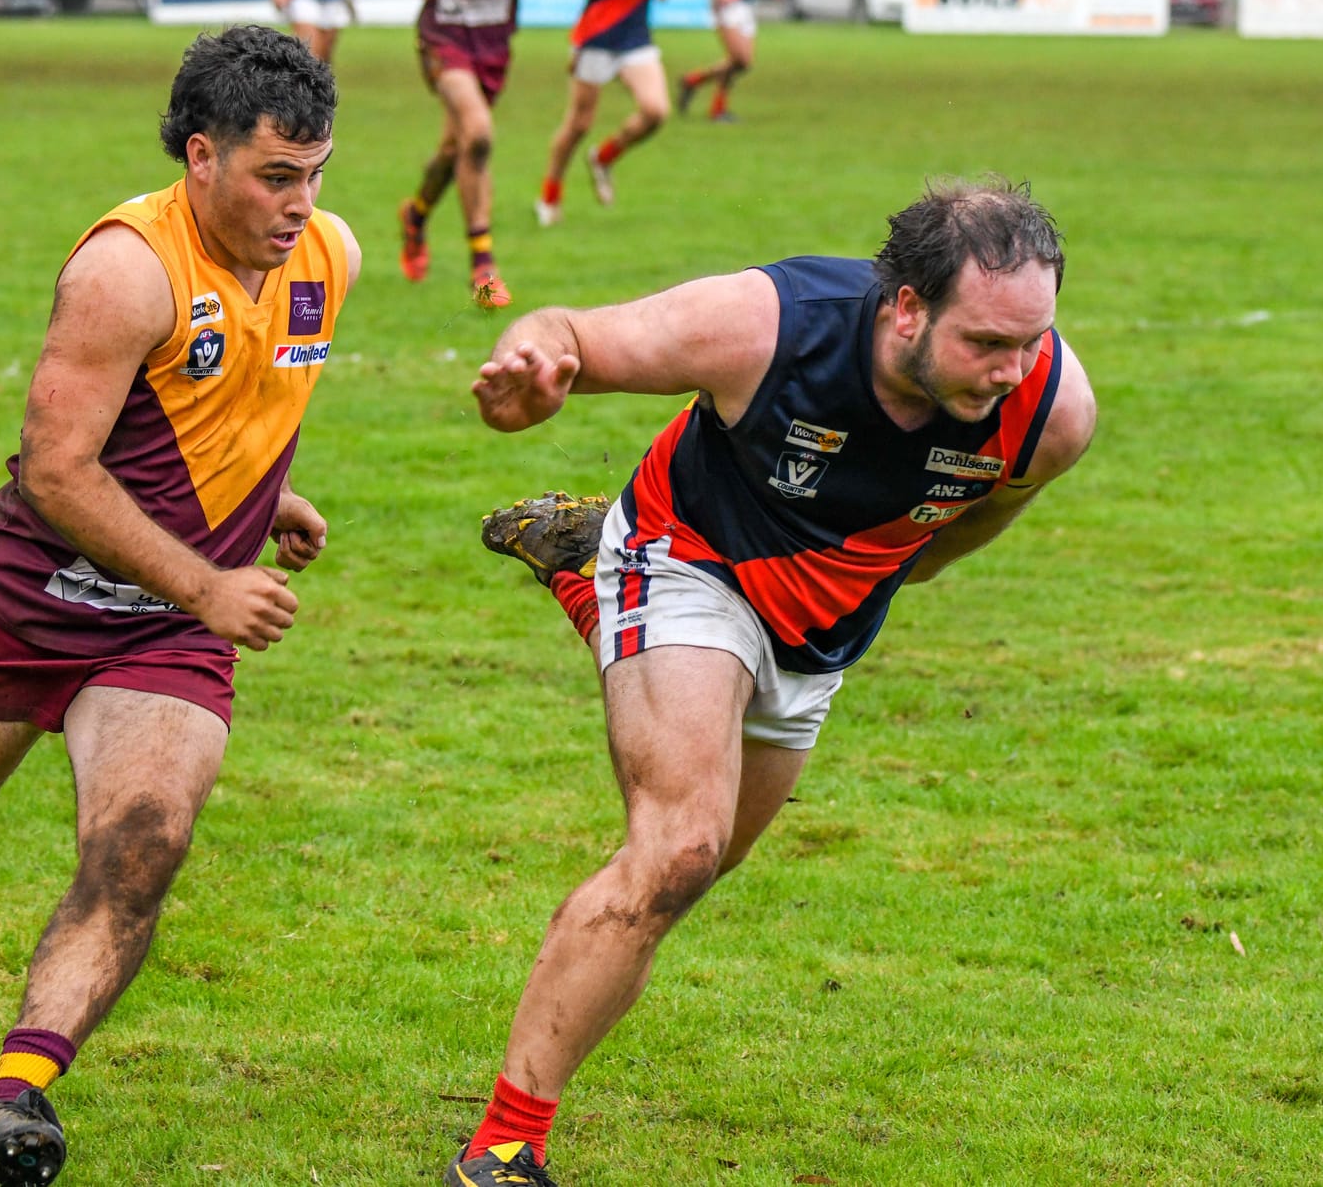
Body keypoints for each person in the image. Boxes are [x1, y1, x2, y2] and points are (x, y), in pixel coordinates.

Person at [450, 178, 1097, 1185]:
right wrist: (534, 365)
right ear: (907, 308)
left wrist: (862, 577)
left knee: (692, 875)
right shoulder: (766, 326)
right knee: (675, 847)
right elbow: (569, 328)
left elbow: (967, 525)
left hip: (819, 631)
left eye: (1031, 341)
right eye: (985, 344)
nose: (1014, 370)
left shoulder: (1049, 414)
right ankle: (501, 1146)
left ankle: (584, 588)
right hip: (687, 552)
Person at [0, 25, 361, 1187]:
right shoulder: (125, 269)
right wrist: (210, 576)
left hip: (165, 634)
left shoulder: (328, 253)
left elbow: (233, 403)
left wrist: (267, 500)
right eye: (276, 175)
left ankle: (16, 1097)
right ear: (201, 156)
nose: (299, 202)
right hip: (37, 595)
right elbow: (58, 467)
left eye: (316, 172)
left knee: (141, 844)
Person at [395, 0, 552, 307]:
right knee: (479, 133)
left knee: (456, 147)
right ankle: (482, 264)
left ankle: (417, 214)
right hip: (442, 38)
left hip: (493, 45)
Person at [533, 0, 672, 227]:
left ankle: (604, 157)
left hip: (636, 36)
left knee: (656, 111)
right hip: (598, 35)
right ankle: (549, 195)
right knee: (578, 124)